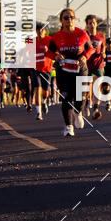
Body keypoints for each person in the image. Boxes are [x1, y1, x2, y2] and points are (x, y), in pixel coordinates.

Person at [48, 8, 95, 137]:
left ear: (75, 19)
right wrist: (56, 56)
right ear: (61, 21)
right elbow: (50, 52)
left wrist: (85, 56)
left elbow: (91, 49)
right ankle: (69, 126)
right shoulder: (57, 36)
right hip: (64, 70)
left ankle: (78, 112)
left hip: (80, 68)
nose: (69, 20)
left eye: (71, 17)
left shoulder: (82, 34)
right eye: (66, 18)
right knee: (66, 97)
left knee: (81, 96)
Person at [85, 14, 106, 120]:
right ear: (87, 25)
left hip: (98, 64)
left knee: (98, 86)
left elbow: (103, 49)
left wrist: (103, 54)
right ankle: (88, 102)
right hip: (87, 64)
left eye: (93, 23)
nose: (92, 25)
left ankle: (96, 108)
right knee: (87, 87)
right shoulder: (85, 36)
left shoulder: (101, 36)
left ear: (96, 24)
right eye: (90, 23)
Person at [33, 23, 53, 120]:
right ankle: (38, 112)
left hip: (47, 69)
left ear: (45, 31)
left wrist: (48, 50)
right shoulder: (31, 41)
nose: (40, 32)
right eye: (38, 30)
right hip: (35, 69)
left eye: (42, 30)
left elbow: (55, 52)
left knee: (46, 91)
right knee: (37, 89)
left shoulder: (49, 40)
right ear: (36, 31)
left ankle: (44, 101)